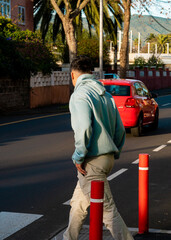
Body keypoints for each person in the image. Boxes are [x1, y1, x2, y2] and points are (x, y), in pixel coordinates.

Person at [63, 55, 134, 240]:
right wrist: (113, 152)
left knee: (108, 211)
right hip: (107, 157)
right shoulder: (107, 95)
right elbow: (120, 130)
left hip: (92, 162)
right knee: (78, 203)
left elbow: (84, 128)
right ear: (91, 73)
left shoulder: (79, 95)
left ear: (72, 75)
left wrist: (78, 157)